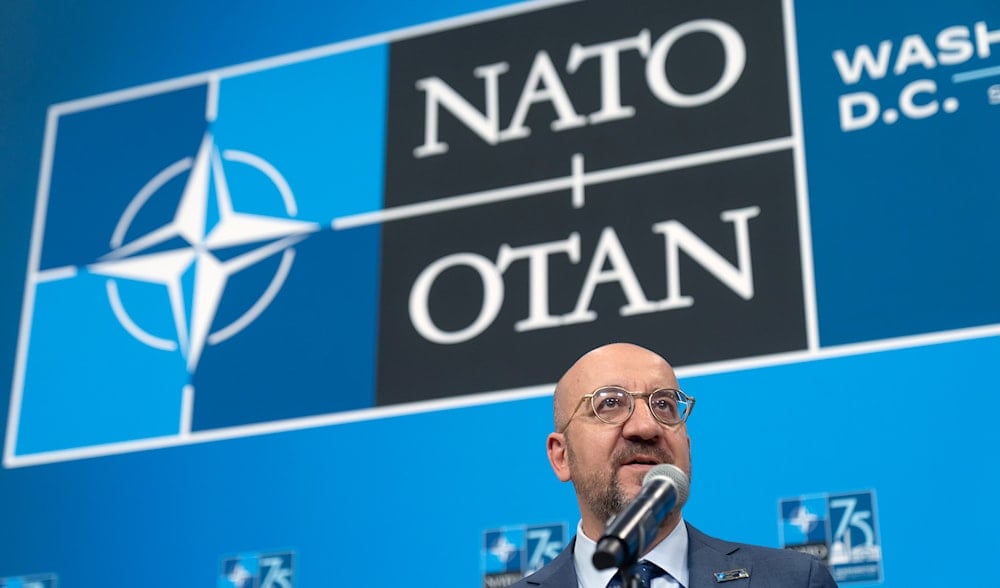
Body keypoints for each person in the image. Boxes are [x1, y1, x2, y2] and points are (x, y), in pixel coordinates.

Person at [512, 342, 837, 588]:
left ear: (688, 448)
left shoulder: (793, 580)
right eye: (609, 403)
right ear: (561, 455)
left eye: (664, 405)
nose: (646, 427)